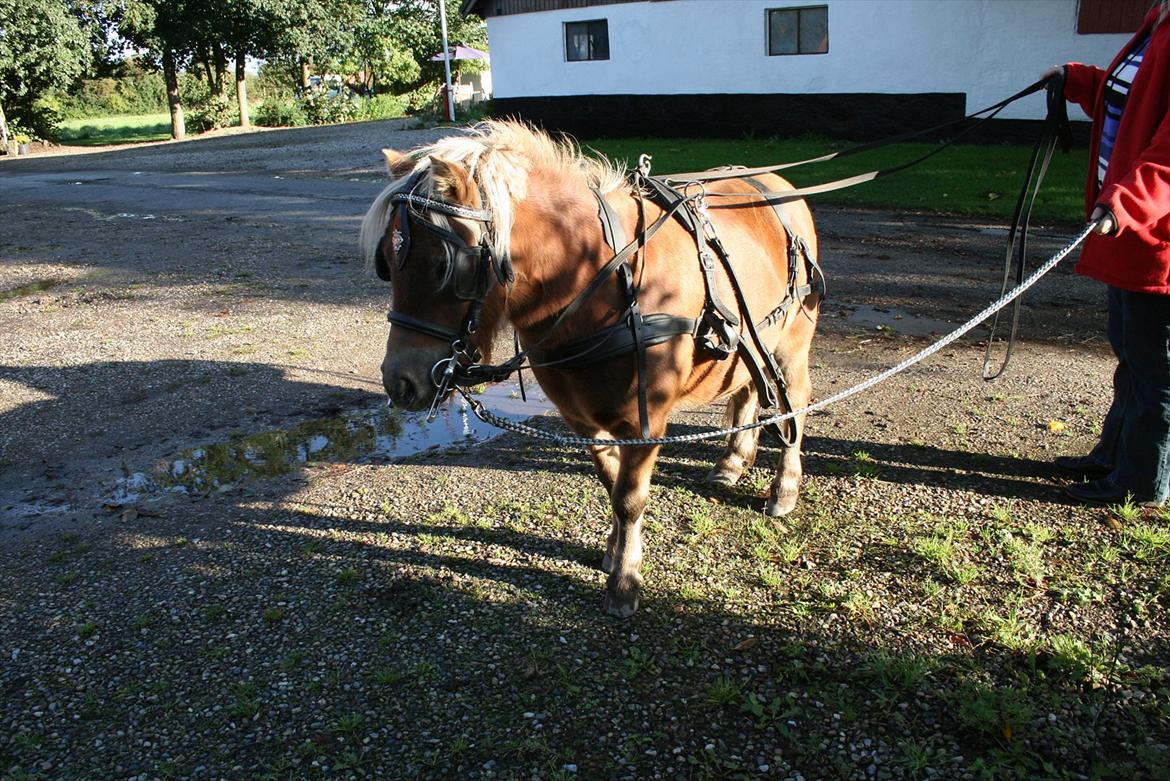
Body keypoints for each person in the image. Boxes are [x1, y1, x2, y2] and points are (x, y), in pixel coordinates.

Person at [1047, 0, 1170, 507]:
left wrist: (1126, 203)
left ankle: (1142, 483)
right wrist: (1078, 80)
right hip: (1130, 233)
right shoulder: (1157, 18)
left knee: (1156, 369)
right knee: (1130, 350)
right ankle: (1115, 454)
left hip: (1154, 237)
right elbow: (1134, 99)